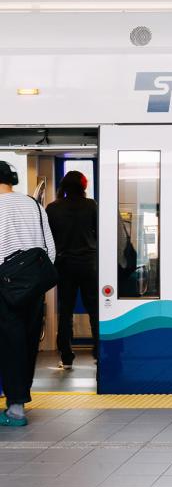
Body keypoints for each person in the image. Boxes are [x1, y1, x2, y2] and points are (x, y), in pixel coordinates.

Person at [0, 161, 55, 427]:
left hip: (4, 286)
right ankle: (17, 404)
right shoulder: (33, 205)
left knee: (9, 344)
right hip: (32, 286)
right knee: (26, 343)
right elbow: (49, 249)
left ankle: (15, 411)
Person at [45, 171, 98, 368]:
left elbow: (47, 239)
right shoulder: (91, 205)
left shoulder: (53, 208)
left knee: (65, 310)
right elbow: (100, 233)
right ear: (83, 186)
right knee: (94, 309)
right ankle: (100, 353)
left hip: (64, 266)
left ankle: (66, 356)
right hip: (89, 264)